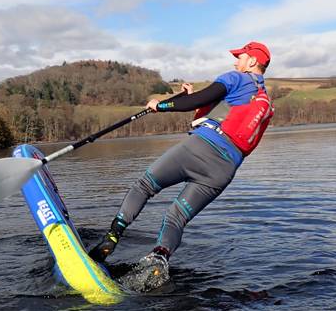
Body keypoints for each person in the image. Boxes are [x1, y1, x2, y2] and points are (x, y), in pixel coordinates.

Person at [89, 41, 274, 281]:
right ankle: (159, 257)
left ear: (252, 61)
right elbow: (221, 113)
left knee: (144, 186)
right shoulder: (265, 102)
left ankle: (112, 238)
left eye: (240, 57)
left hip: (199, 149)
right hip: (223, 171)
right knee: (176, 217)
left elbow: (197, 101)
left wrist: (160, 105)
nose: (235, 61)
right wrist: (191, 97)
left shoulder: (236, 78)